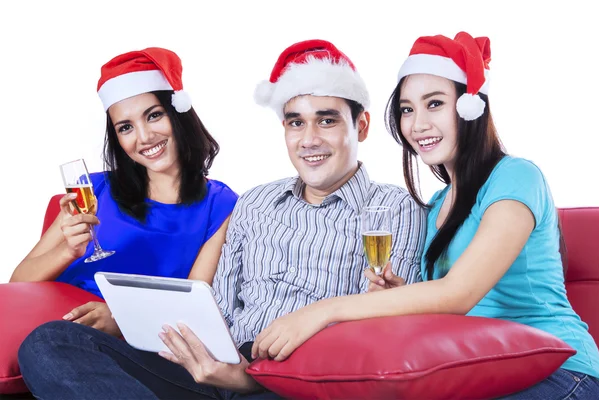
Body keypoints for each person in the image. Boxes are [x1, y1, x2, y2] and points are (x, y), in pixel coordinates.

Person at [18, 39, 426, 399]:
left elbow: (363, 336)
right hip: (209, 368)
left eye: (327, 119)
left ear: (362, 125)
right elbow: (215, 307)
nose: (309, 139)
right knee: (47, 344)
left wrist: (249, 377)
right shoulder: (253, 204)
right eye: (296, 122)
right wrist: (213, 362)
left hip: (295, 376)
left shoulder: (393, 209)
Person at [251, 32, 599, 398]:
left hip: (558, 370)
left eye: (434, 104)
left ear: (468, 107)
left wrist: (322, 311)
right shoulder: (435, 205)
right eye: (406, 109)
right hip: (483, 369)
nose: (417, 124)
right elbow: (444, 307)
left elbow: (459, 293)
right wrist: (402, 295)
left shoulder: (515, 176)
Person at [10, 47, 238, 337]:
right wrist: (68, 250)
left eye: (154, 116)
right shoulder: (93, 190)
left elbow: (194, 305)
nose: (144, 137)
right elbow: (17, 283)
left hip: (128, 342)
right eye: (126, 127)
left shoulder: (220, 205)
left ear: (178, 114)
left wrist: (122, 321)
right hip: (56, 322)